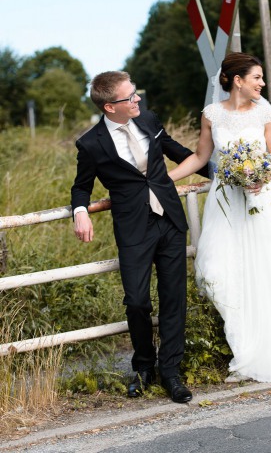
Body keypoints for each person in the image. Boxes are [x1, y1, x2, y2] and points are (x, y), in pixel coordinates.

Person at [168, 54, 271, 383]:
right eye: (256, 77)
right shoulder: (211, 115)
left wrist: (258, 174)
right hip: (225, 204)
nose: (262, 83)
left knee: (268, 271)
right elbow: (201, 156)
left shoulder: (264, 113)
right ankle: (244, 348)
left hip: (260, 200)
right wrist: (165, 179)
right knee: (216, 270)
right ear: (237, 80)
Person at [71, 71, 207, 403]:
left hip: (171, 221)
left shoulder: (148, 119)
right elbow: (81, 186)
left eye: (135, 94)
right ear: (108, 107)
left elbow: (181, 152)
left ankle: (171, 373)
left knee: (174, 298)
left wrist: (234, 173)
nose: (137, 100)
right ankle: (144, 367)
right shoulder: (90, 143)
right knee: (136, 301)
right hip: (133, 229)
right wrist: (80, 212)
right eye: (129, 97)